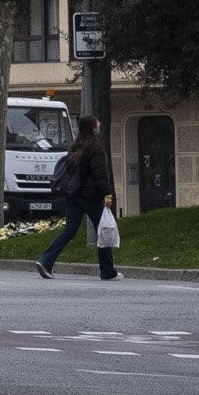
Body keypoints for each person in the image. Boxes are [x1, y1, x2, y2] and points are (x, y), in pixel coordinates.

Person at [36, 120, 118, 280]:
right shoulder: (96, 148)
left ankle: (45, 261)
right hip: (91, 197)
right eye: (97, 123)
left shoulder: (75, 146)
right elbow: (99, 175)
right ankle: (107, 271)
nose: (100, 124)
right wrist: (107, 194)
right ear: (93, 128)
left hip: (73, 196)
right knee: (104, 229)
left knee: (70, 230)